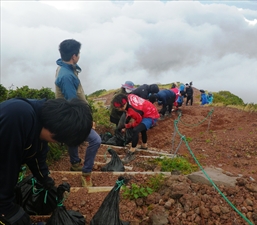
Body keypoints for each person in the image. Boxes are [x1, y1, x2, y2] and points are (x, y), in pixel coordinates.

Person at [0, 97, 92, 225]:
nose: (57, 142)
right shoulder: (17, 116)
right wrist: (6, 207)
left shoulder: (40, 123)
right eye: (60, 140)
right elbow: (6, 166)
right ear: (56, 129)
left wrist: (45, 180)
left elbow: (37, 156)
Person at [54, 39, 101, 187]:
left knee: (72, 138)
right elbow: (73, 104)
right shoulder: (67, 76)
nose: (79, 56)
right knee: (96, 140)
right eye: (78, 53)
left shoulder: (66, 67)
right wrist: (86, 121)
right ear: (74, 56)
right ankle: (86, 173)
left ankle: (75, 163)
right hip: (71, 116)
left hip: (67, 114)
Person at [111, 93, 160, 164]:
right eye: (118, 108)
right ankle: (144, 145)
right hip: (147, 109)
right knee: (142, 129)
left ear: (125, 104)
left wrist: (127, 126)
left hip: (151, 116)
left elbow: (137, 123)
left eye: (121, 107)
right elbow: (129, 112)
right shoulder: (129, 96)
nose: (120, 109)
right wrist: (126, 123)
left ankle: (132, 151)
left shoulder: (133, 111)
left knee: (136, 130)